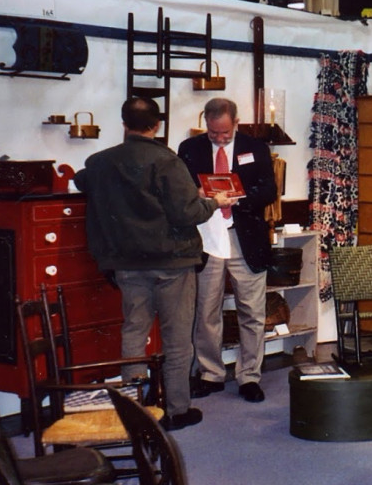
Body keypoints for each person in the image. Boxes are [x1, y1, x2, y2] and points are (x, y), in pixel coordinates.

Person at [74, 97, 237, 431]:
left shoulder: (100, 162)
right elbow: (187, 213)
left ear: (123, 123)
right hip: (172, 263)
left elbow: (80, 180)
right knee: (177, 338)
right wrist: (213, 202)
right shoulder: (167, 162)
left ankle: (133, 408)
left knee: (134, 331)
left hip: (127, 264)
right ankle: (177, 409)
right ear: (157, 125)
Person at [178, 98, 277, 403]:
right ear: (205, 124)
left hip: (244, 236)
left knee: (252, 311)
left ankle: (249, 376)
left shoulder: (255, 148)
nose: (220, 139)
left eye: (225, 133)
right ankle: (210, 374)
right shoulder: (189, 149)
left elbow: (270, 191)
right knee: (206, 312)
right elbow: (179, 191)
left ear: (236, 122)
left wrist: (239, 199)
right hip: (206, 238)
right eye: (213, 134)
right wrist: (196, 194)